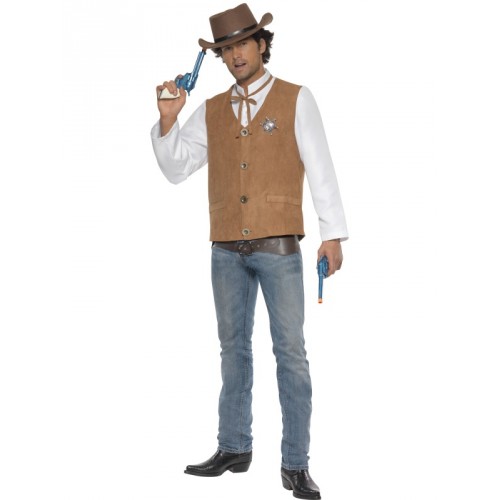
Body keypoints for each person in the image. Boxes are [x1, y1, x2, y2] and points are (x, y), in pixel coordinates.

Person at [151, 4, 348, 499]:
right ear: (220, 57)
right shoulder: (211, 109)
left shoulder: (297, 98)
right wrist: (168, 122)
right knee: (233, 351)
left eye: (243, 43)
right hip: (225, 250)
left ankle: (295, 464)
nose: (236, 54)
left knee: (291, 355)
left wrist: (332, 234)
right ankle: (234, 446)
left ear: (261, 45)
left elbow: (320, 165)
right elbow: (177, 169)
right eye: (226, 49)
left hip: (279, 248)